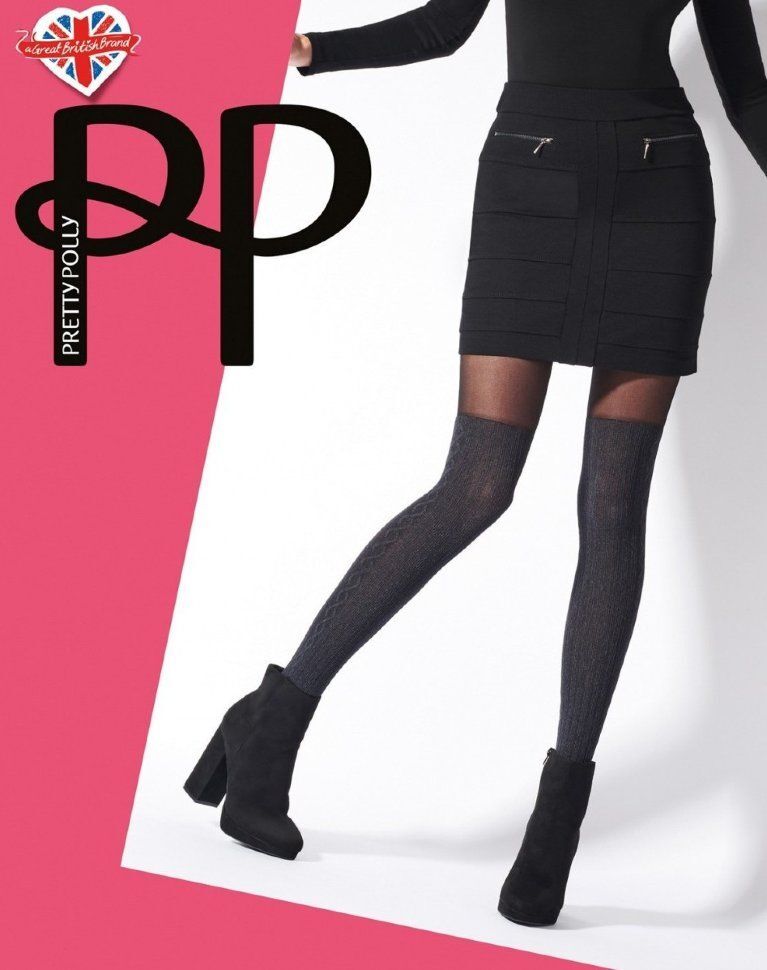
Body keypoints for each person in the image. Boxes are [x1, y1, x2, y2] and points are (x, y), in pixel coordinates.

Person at [185, 0, 767, 927]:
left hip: (660, 193)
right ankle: (272, 717)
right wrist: (314, 49)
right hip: (529, 183)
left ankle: (555, 822)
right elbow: (444, 27)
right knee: (476, 486)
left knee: (612, 508)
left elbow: (746, 92)